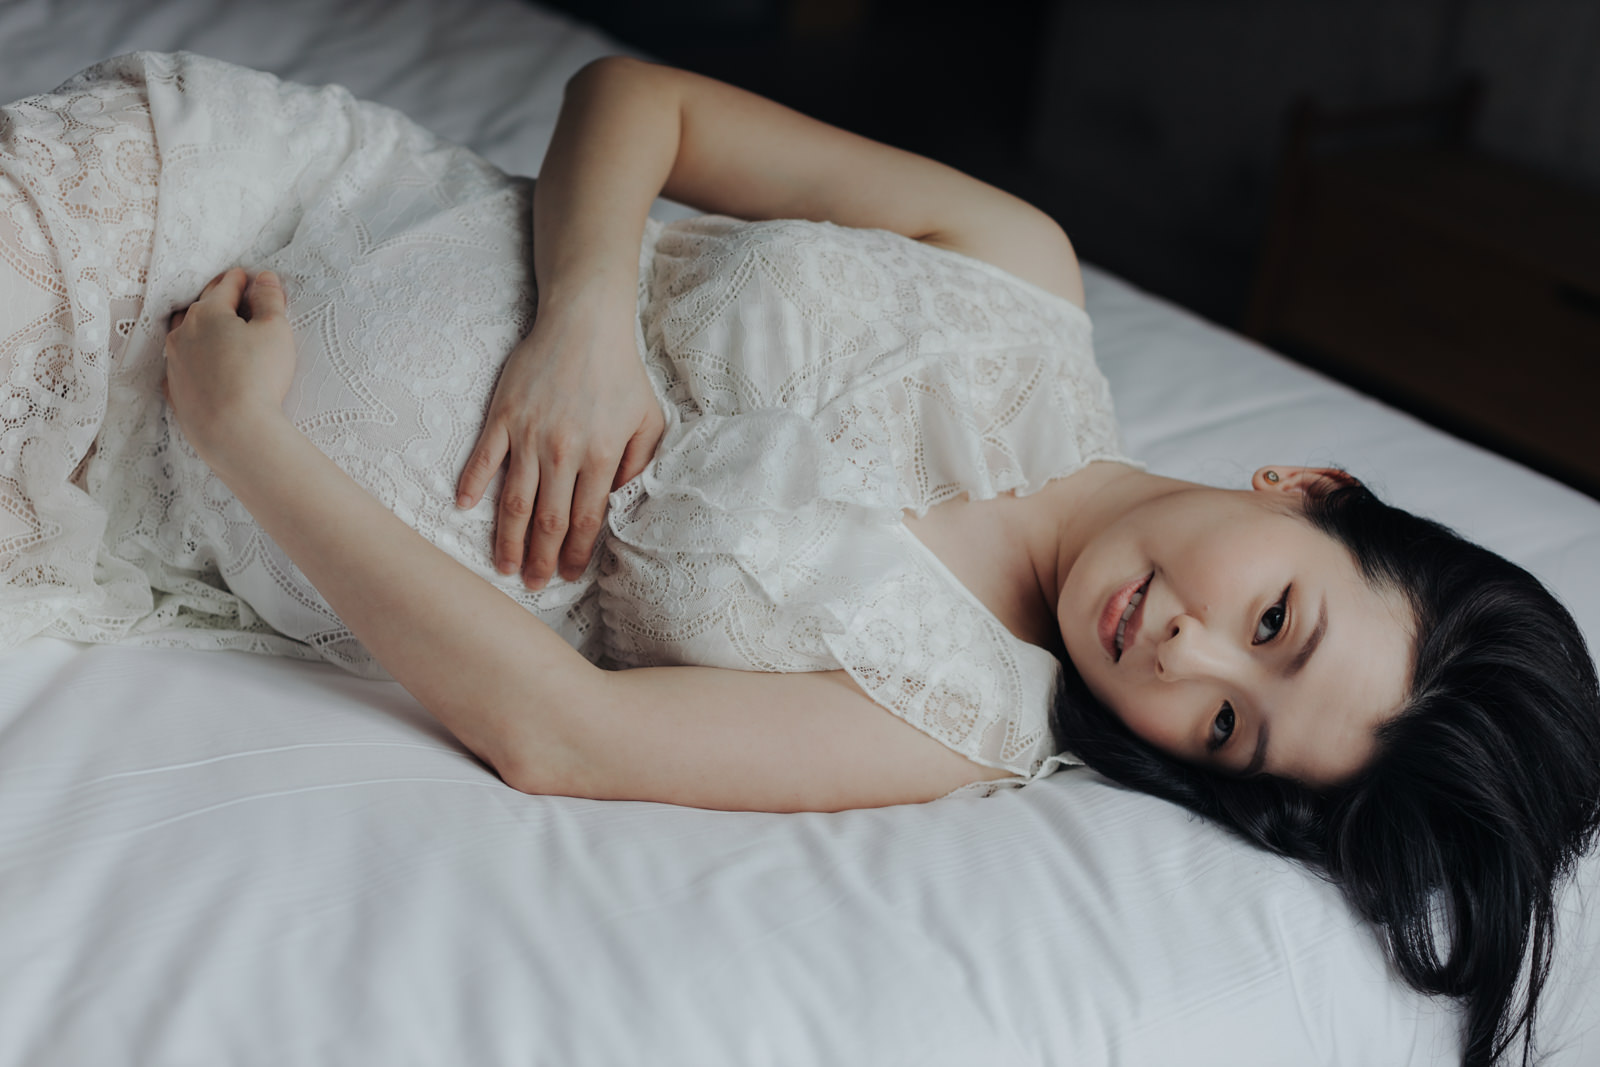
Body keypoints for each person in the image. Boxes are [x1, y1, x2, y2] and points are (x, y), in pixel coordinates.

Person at [2, 51, 1596, 1067]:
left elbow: (568, 735)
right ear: (1307, 485)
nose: (1190, 660)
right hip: (228, 199)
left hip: (149, 477)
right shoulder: (1018, 273)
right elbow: (638, 101)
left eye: (1233, 729)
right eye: (1276, 619)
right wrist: (585, 317)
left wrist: (244, 441)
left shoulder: (958, 715)